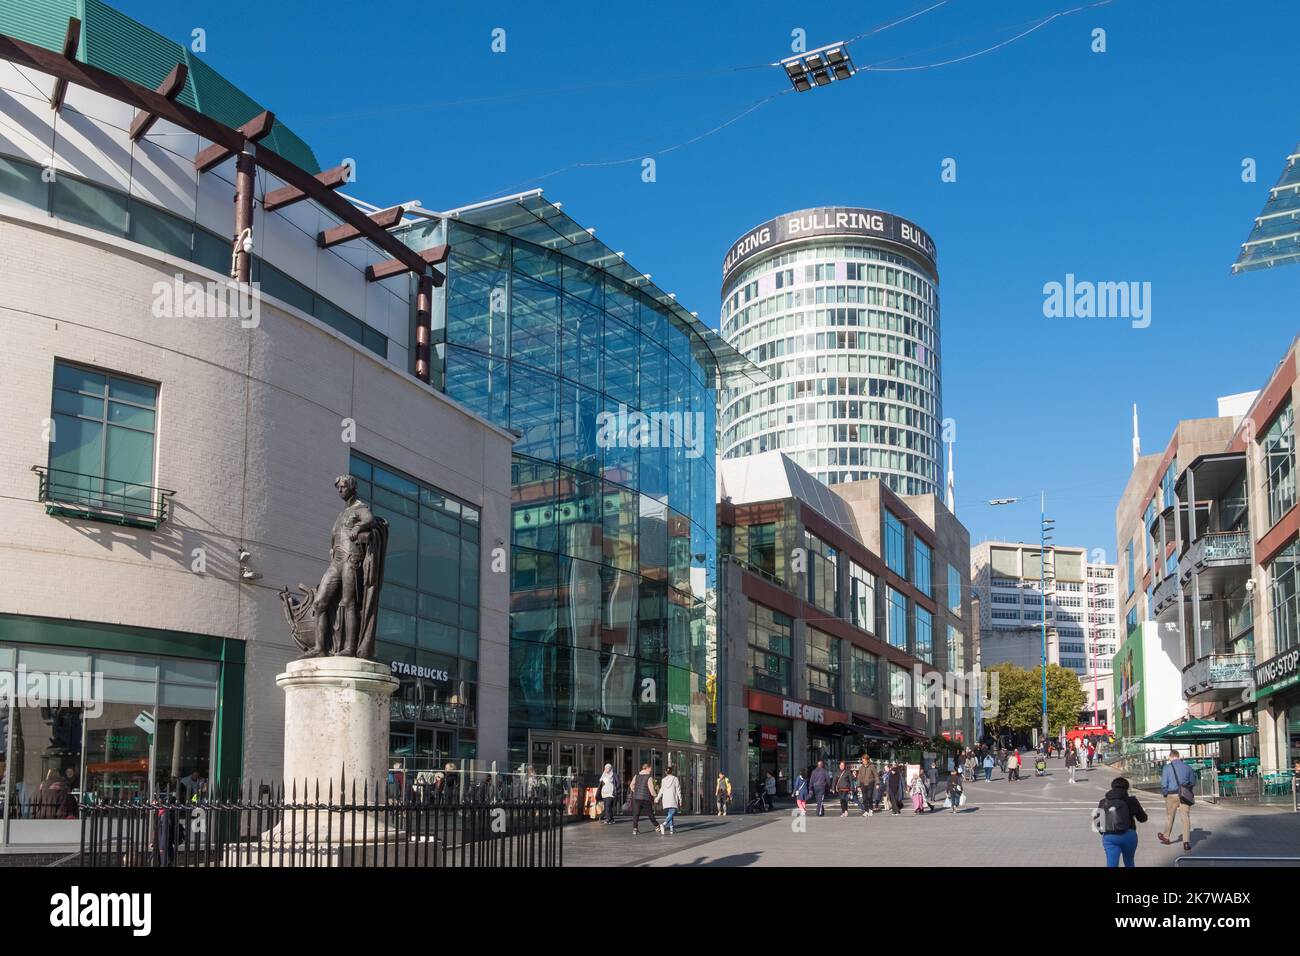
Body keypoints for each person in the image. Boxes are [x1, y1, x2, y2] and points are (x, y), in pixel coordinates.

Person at [1098, 776, 1148, 867]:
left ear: (1112, 787)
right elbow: (1143, 818)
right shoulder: (1132, 800)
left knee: (1111, 865)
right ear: (1127, 788)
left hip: (1110, 837)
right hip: (1129, 835)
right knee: (1129, 862)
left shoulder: (1103, 802)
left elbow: (1100, 822)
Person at [1157, 750, 1195, 852]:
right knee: (1185, 818)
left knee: (1170, 816)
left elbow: (1164, 784)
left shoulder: (1167, 768)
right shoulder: (1188, 767)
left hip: (1171, 795)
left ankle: (1166, 837)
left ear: (1171, 757)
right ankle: (1186, 843)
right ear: (1178, 757)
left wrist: (1165, 794)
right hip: (1185, 796)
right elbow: (1193, 782)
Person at [629, 762, 661, 835]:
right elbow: (651, 789)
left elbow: (631, 785)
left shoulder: (636, 776)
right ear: (647, 768)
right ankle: (657, 826)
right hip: (645, 798)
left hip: (636, 798)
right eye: (650, 769)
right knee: (650, 814)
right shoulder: (649, 777)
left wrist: (635, 791)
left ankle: (635, 829)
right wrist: (655, 796)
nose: (650, 770)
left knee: (636, 814)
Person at [657, 765, 681, 834]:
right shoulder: (675, 779)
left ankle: (671, 829)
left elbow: (661, 790)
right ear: (672, 772)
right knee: (672, 813)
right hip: (673, 798)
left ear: (665, 772)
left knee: (670, 814)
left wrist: (657, 798)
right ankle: (663, 824)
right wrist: (680, 799)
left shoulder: (663, 780)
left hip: (665, 799)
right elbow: (678, 790)